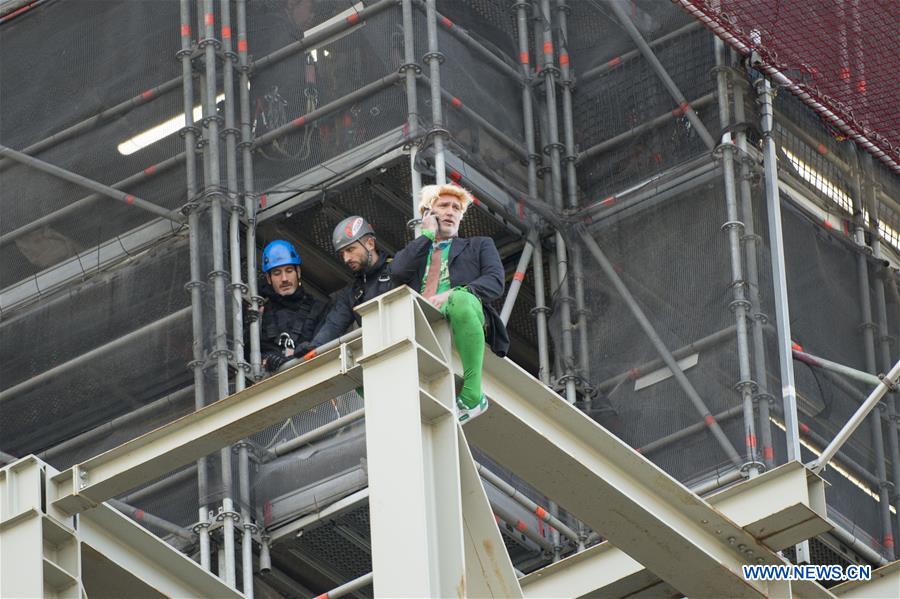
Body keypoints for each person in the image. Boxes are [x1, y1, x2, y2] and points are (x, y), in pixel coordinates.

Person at [391, 184, 509, 423]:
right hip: (420, 321)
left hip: (463, 312)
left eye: (456, 208)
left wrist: (455, 292)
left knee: (461, 299)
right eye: (443, 205)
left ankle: (473, 394)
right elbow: (397, 272)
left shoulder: (479, 244)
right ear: (427, 213)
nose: (451, 212)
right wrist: (426, 235)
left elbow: (495, 282)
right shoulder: (416, 253)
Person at [296, 216, 394, 355]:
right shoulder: (353, 291)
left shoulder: (397, 267)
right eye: (342, 253)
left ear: (370, 243)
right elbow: (334, 325)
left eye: (350, 249)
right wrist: (314, 346)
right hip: (378, 354)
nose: (346, 259)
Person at [258, 239, 329, 372]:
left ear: (298, 272)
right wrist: (267, 360)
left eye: (289, 270)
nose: (284, 279)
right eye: (277, 273)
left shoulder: (319, 309)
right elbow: (247, 353)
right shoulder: (260, 316)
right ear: (268, 279)